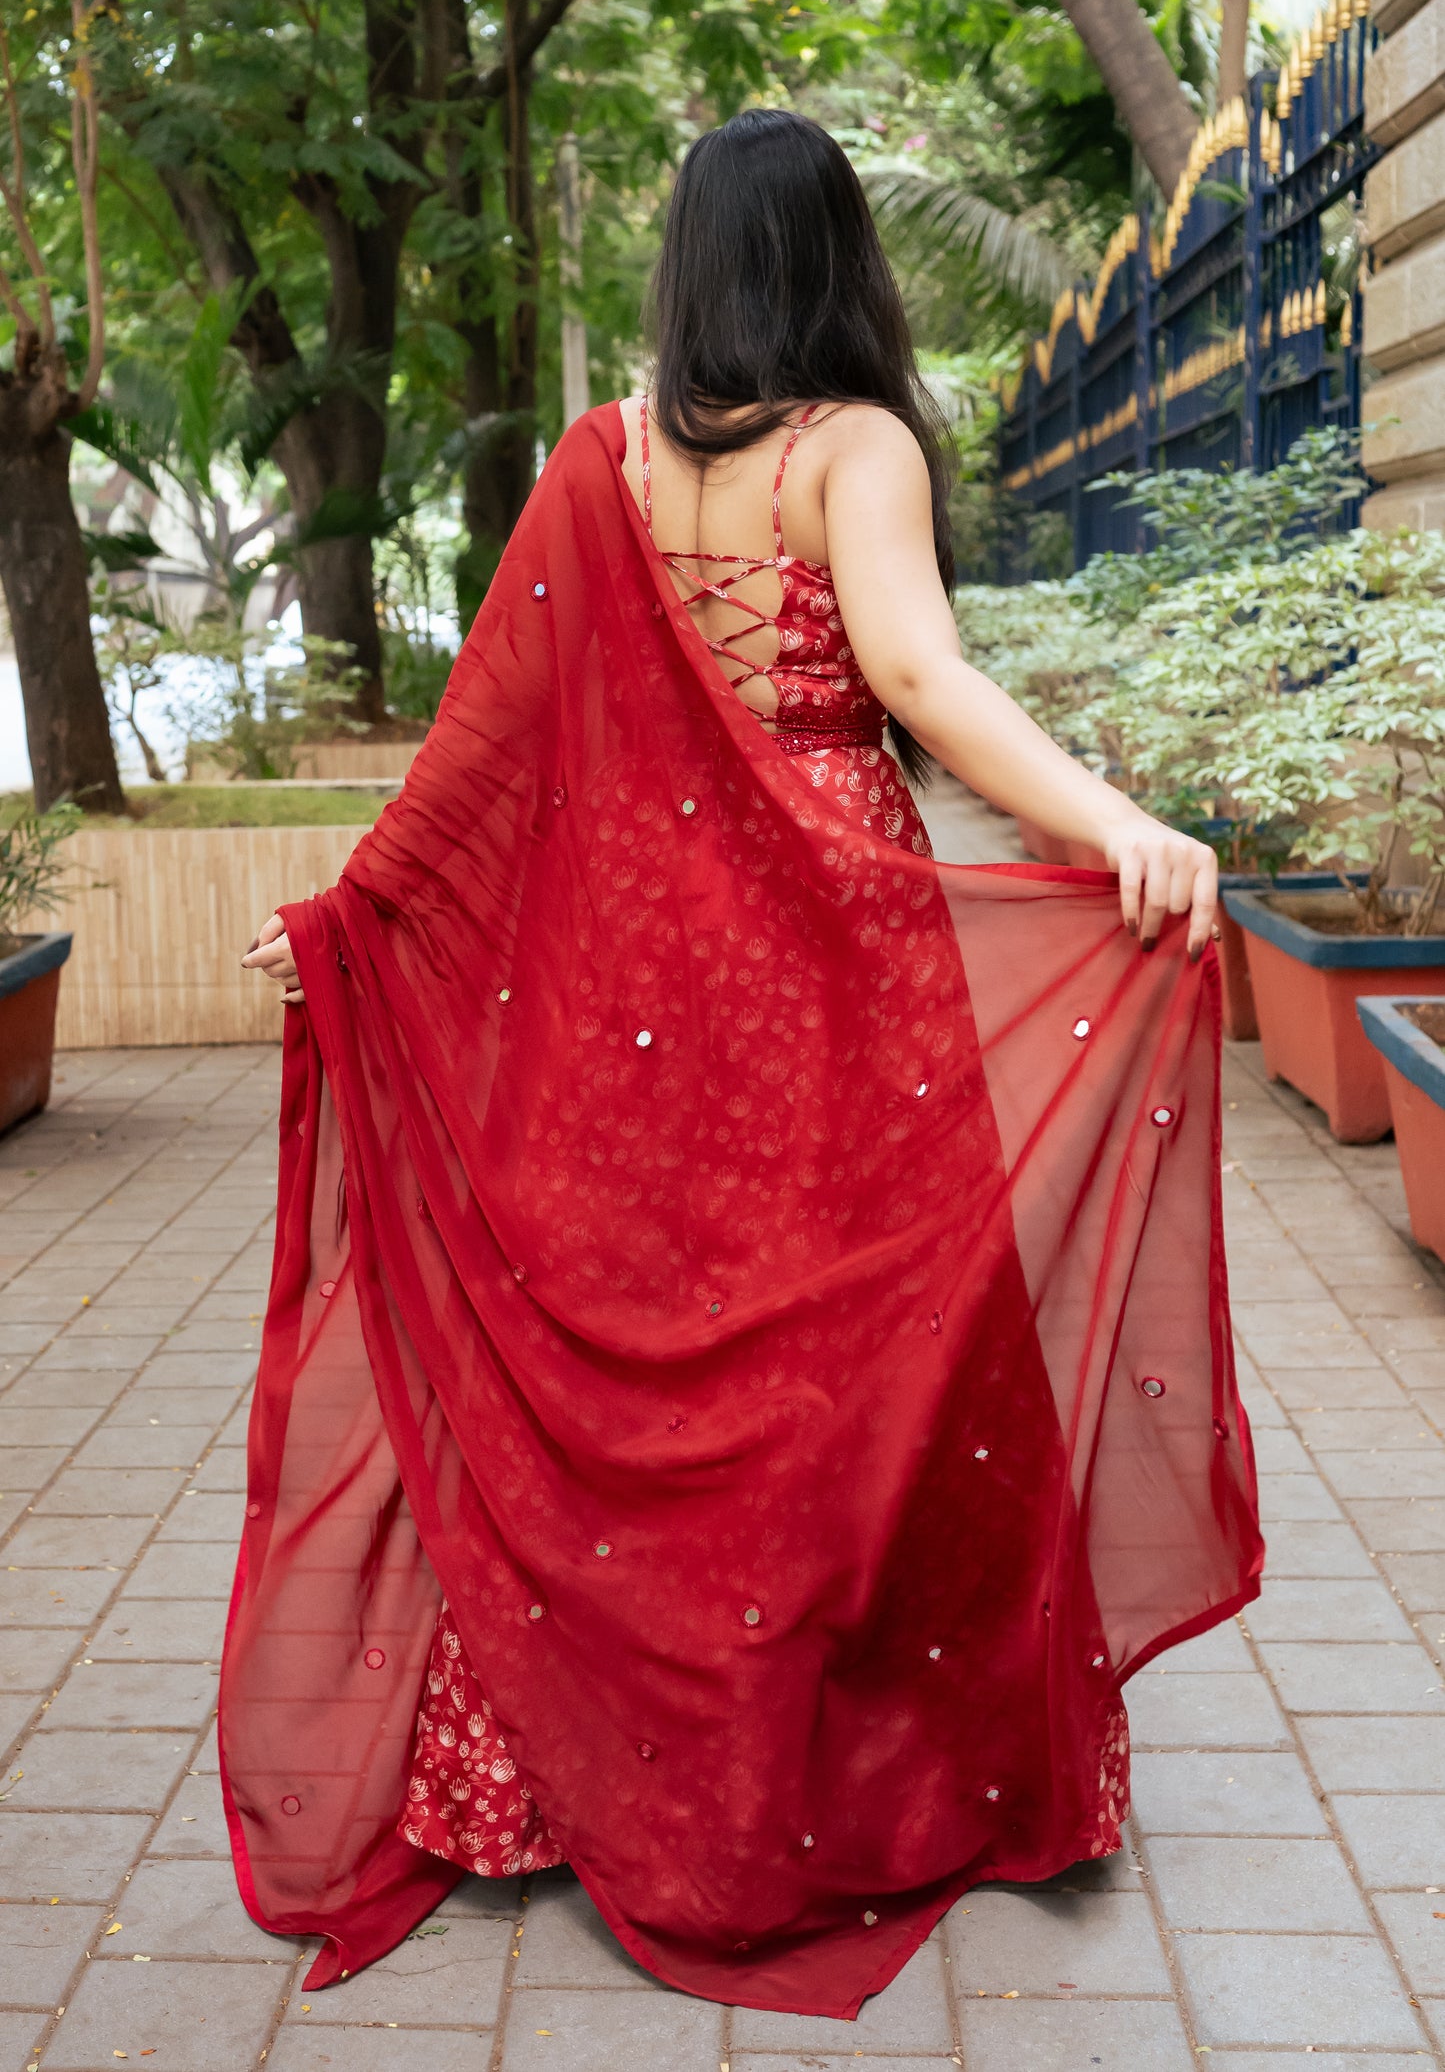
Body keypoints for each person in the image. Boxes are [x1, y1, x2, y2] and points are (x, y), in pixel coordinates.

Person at [229, 107, 1259, 2020]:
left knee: (649, 1339)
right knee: (839, 1350)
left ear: (694, 263)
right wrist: (1120, 822)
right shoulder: (847, 448)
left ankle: (539, 1777)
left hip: (630, 958)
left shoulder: (606, 463)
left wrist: (350, 917)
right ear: (838, 261)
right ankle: (813, 1760)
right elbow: (921, 681)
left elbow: (485, 738)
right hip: (821, 943)